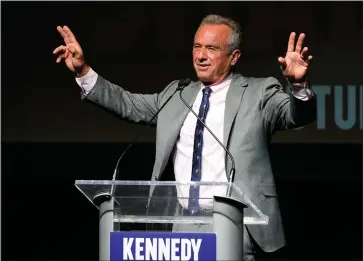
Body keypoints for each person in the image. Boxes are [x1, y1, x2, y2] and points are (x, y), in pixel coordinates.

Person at [54, 14, 316, 260]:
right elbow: (129, 104)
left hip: (236, 221)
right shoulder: (176, 94)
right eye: (197, 47)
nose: (201, 56)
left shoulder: (259, 92)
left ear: (233, 56)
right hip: (181, 224)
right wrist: (83, 71)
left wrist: (298, 86)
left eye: (211, 49)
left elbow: (296, 115)